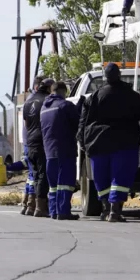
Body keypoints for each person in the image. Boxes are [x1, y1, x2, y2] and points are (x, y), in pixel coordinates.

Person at [78, 63, 140, 222]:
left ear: (105, 76)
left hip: (98, 142)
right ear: (119, 75)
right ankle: (115, 211)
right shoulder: (130, 94)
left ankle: (105, 210)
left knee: (101, 177)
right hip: (124, 141)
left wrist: (82, 141)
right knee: (120, 177)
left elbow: (83, 121)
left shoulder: (94, 96)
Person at [40, 81, 80, 220]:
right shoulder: (65, 105)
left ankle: (54, 211)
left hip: (49, 152)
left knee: (53, 186)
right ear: (64, 91)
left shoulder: (44, 108)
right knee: (65, 183)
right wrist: (80, 106)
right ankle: (63, 212)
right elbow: (77, 123)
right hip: (65, 150)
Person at [23, 76, 55, 217]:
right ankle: (41, 208)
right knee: (43, 175)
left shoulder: (28, 101)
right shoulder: (47, 101)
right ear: (48, 89)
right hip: (42, 142)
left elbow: (26, 123)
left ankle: (31, 206)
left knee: (35, 175)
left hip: (30, 142)